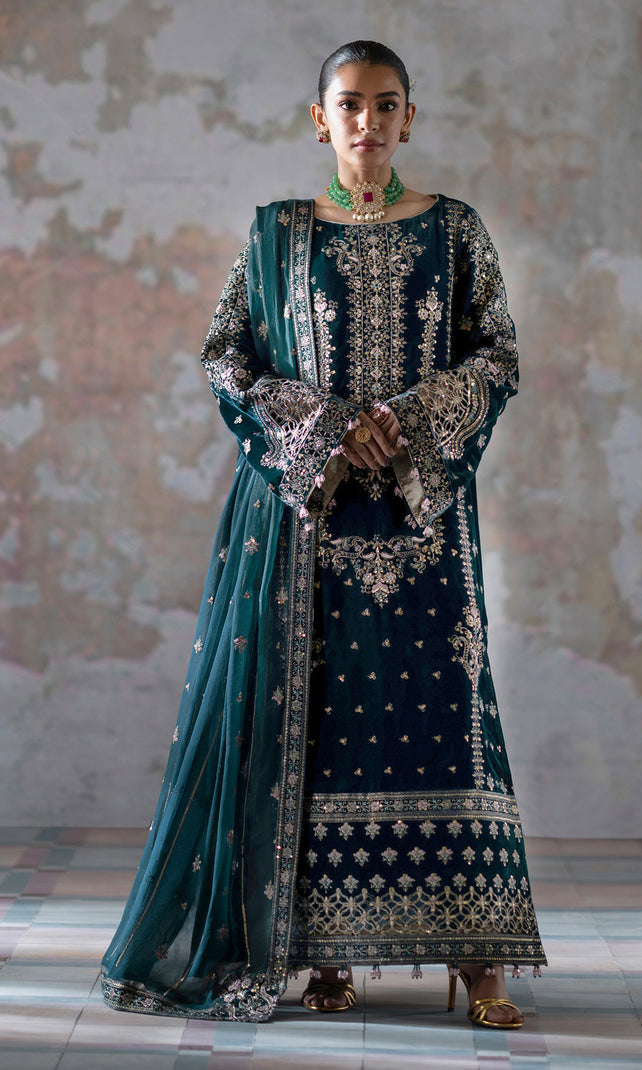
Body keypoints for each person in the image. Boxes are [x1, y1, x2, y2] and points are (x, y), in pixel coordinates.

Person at [101, 40, 546, 1028]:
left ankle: (480, 960)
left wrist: (411, 417)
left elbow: (497, 355)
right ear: (319, 120)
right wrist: (328, 424)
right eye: (348, 105)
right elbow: (226, 356)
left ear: (408, 118)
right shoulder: (277, 235)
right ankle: (327, 954)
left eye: (385, 105)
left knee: (445, 713)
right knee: (323, 726)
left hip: (423, 517)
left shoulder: (455, 231)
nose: (366, 122)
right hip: (312, 517)